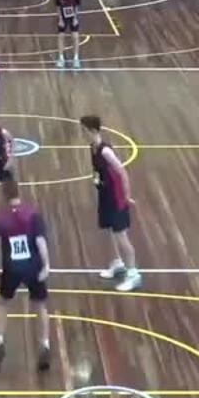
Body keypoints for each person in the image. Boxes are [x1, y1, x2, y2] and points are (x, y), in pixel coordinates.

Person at [0, 176, 52, 373]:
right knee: (40, 305)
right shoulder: (32, 215)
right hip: (33, 267)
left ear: (4, 195)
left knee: (3, 304)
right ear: (18, 192)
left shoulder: (0, 218)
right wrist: (46, 265)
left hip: (11, 268)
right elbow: (40, 242)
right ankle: (44, 345)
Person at [80, 114, 141, 292]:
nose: (82, 133)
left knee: (122, 237)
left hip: (116, 198)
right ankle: (118, 263)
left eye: (84, 130)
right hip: (105, 195)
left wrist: (127, 196)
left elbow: (122, 172)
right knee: (109, 231)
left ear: (93, 130)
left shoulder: (105, 151)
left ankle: (133, 274)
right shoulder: (92, 147)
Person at [54, 0, 82, 70]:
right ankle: (61, 58)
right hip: (63, 18)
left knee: (75, 36)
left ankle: (76, 58)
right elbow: (58, 8)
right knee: (61, 36)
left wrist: (75, 19)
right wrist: (60, 20)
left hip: (72, 18)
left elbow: (77, 8)